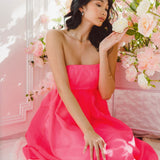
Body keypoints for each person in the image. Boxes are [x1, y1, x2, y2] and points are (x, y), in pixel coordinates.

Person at [23, 0, 158, 159]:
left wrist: (102, 52)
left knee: (120, 151)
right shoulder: (56, 37)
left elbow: (106, 94)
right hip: (63, 117)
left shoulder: (108, 44)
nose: (104, 12)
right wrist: (88, 131)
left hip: (96, 116)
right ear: (81, 6)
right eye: (98, 5)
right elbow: (63, 88)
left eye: (107, 8)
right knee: (88, 154)